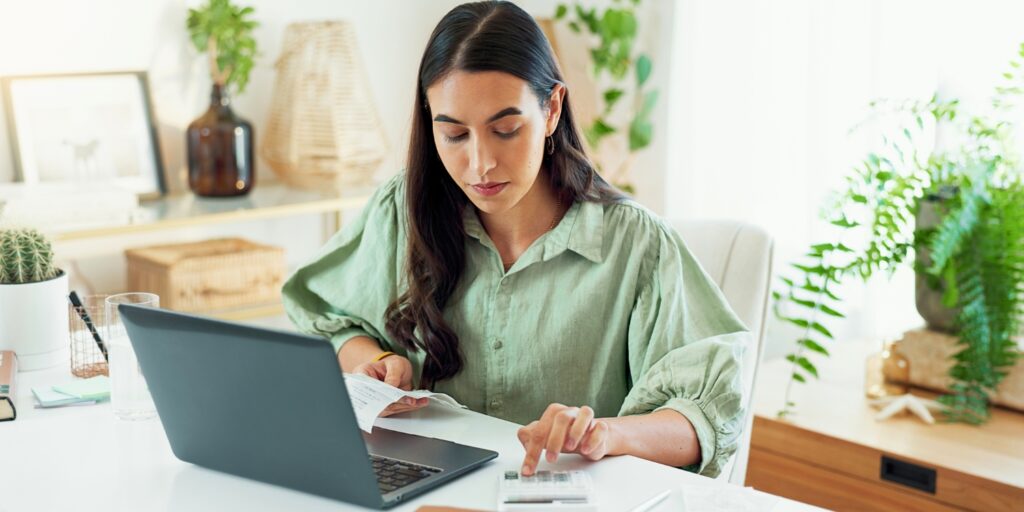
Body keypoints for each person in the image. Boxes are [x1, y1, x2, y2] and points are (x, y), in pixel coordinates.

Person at [282, 0, 749, 479]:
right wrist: (376, 361)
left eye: (505, 130)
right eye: (455, 135)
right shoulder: (402, 210)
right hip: (424, 491)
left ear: (551, 110)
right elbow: (326, 318)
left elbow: (705, 416)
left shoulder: (638, 245)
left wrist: (607, 433)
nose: (481, 163)